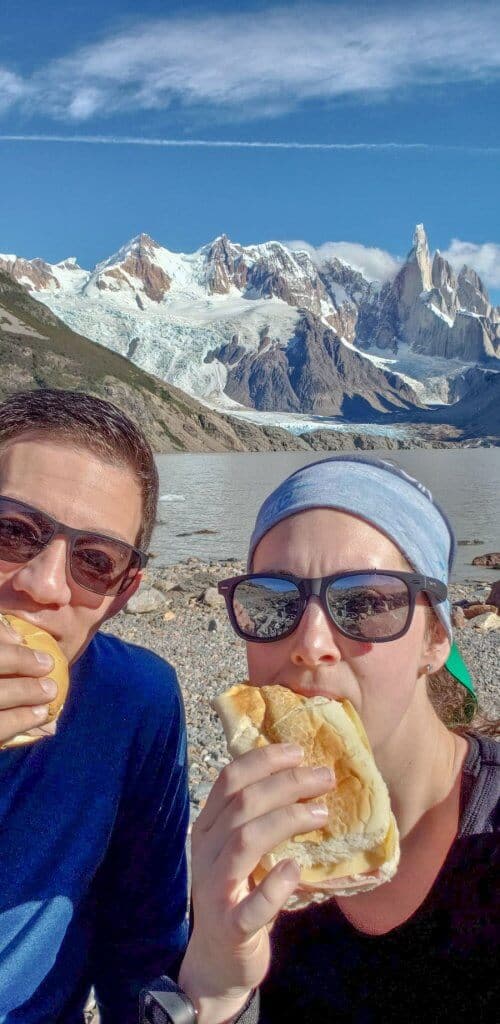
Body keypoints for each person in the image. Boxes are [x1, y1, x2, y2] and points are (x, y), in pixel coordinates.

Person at [174, 455, 499, 1024]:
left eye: (368, 603)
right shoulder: (244, 845)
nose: (311, 642)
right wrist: (215, 984)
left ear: (435, 639)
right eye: (275, 600)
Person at [0, 389, 189, 1023]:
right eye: (12, 530)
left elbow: (141, 951)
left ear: (123, 592)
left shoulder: (136, 703)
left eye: (95, 562)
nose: (43, 585)